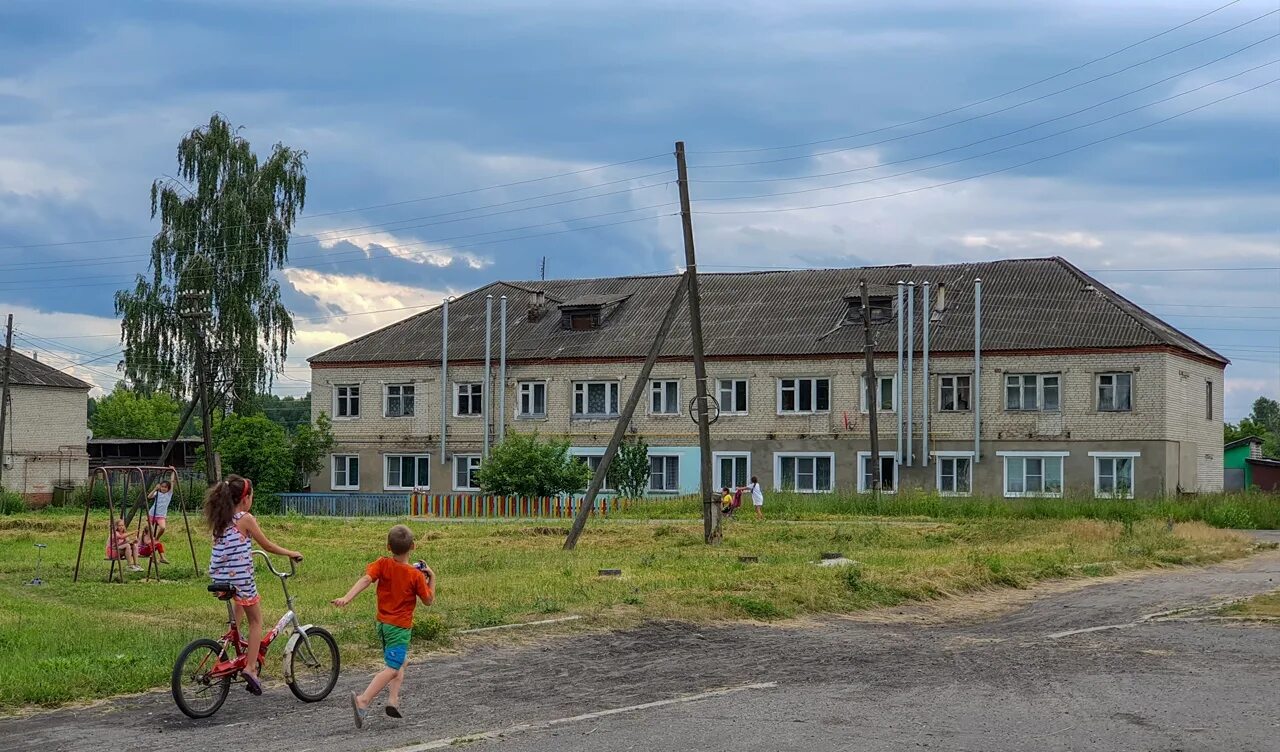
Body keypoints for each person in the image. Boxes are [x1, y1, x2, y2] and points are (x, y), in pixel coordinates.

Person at [205, 474, 302, 696]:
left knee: (239, 601)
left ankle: (233, 637)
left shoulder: (222, 518)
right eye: (252, 497)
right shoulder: (245, 518)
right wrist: (291, 553)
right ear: (245, 498)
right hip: (240, 580)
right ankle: (250, 668)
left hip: (220, 578)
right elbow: (266, 545)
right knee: (257, 620)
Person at [332, 524, 435, 728]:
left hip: (383, 624)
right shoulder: (415, 575)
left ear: (388, 547)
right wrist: (432, 577)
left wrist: (347, 597)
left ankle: (393, 701)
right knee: (392, 667)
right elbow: (428, 601)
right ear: (413, 546)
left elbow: (365, 579)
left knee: (401, 660)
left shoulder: (382, 563)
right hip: (399, 628)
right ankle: (363, 700)